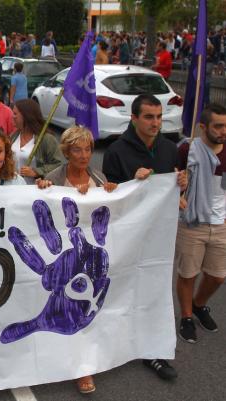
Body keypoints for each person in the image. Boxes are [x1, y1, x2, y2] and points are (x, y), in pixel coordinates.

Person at [102, 94, 187, 381]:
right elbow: (109, 197)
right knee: (121, 287)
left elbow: (171, 188)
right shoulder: (116, 151)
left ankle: (153, 349)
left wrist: (180, 187)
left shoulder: (168, 149)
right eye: (149, 117)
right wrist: (130, 183)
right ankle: (114, 341)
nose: (156, 122)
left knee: (155, 288)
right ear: (134, 118)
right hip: (127, 235)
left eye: (159, 117)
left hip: (159, 237)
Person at [35, 126, 117, 394]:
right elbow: (40, 208)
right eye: (77, 149)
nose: (84, 155)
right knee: (63, 311)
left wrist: (112, 192)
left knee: (85, 312)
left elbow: (110, 213)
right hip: (64, 258)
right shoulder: (54, 178)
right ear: (67, 151)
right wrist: (44, 188)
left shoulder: (99, 177)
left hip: (90, 260)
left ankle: (84, 370)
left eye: (88, 149)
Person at [175, 103, 226, 344]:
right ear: (203, 127)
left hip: (221, 223)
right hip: (191, 222)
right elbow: (170, 181)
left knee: (217, 277)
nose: (224, 130)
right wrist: (179, 188)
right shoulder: (188, 149)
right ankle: (186, 317)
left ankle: (199, 305)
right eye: (218, 126)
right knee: (188, 274)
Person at [11, 99, 64, 183]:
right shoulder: (13, 136)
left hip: (35, 190)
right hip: (14, 188)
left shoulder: (47, 139)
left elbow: (58, 165)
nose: (12, 116)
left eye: (15, 114)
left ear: (26, 115)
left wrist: (36, 172)